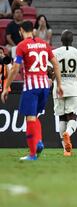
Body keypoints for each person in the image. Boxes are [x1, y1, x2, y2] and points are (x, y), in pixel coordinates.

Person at [0, 21, 63, 161]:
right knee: (34, 116)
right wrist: (59, 85)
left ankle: (33, 154)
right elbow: (56, 65)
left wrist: (5, 88)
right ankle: (39, 142)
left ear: (21, 31)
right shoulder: (44, 44)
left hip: (31, 87)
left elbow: (15, 68)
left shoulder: (21, 46)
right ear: (33, 30)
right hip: (44, 86)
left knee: (29, 119)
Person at [51, 30, 77, 157]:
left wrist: (55, 76)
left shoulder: (54, 52)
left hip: (58, 87)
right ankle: (68, 133)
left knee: (61, 117)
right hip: (73, 87)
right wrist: (75, 77)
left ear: (61, 40)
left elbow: (48, 69)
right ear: (72, 40)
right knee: (72, 116)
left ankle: (66, 150)